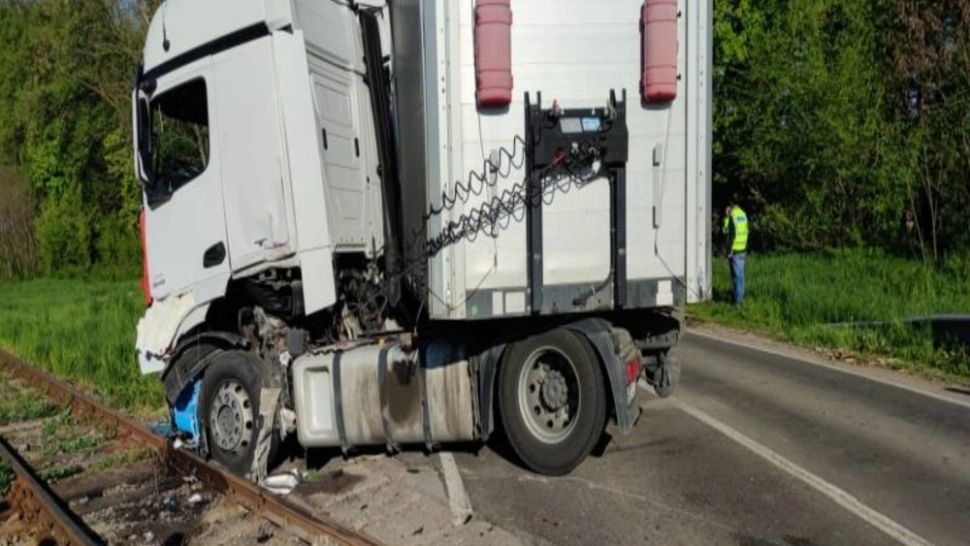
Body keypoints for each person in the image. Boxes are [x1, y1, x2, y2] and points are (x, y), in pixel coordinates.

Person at [722, 197, 749, 306]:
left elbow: (727, 232)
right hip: (743, 248)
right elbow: (746, 231)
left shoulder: (732, 215)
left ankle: (738, 302)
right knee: (741, 275)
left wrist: (726, 217)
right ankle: (741, 298)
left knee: (736, 277)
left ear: (731, 203)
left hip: (735, 250)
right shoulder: (743, 214)